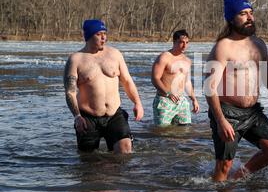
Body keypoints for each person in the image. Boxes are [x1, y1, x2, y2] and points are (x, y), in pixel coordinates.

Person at [205, 0, 268, 182]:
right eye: (243, 13)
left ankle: (239, 176)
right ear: (231, 19)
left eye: (251, 13)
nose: (249, 17)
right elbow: (209, 87)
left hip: (253, 112)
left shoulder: (259, 44)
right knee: (223, 166)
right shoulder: (223, 47)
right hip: (228, 112)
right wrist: (221, 120)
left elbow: (267, 77)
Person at [64, 19, 144, 154]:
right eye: (99, 34)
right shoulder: (76, 59)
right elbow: (70, 92)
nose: (104, 38)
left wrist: (137, 102)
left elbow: (127, 81)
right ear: (89, 36)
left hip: (114, 114)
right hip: (88, 117)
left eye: (105, 33)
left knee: (125, 151)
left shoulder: (115, 54)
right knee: (88, 160)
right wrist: (77, 116)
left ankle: (117, 176)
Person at [151, 29, 199, 126]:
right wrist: (168, 93)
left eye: (187, 42)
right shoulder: (164, 57)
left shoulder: (187, 60)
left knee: (184, 131)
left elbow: (187, 82)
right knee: (162, 132)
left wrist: (194, 99)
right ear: (174, 42)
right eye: (181, 42)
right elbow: (155, 78)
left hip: (181, 101)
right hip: (165, 100)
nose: (184, 45)